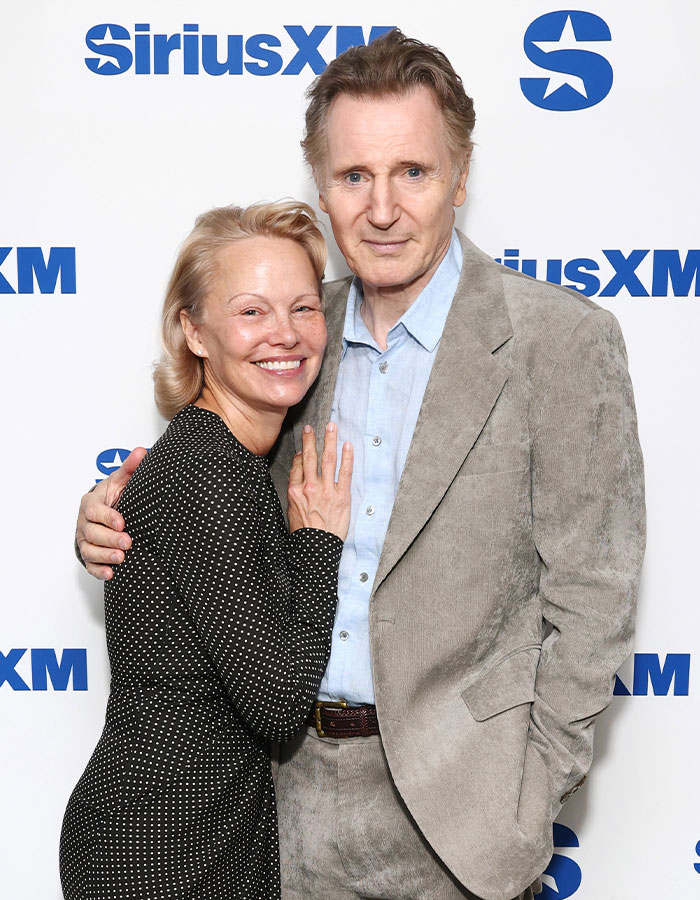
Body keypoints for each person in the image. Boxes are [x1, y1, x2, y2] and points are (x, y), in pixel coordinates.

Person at [75, 30, 646, 900]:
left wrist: (528, 799)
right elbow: (200, 479)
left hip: (464, 814)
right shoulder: (291, 334)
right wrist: (106, 515)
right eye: (353, 177)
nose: (382, 209)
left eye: (412, 172)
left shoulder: (560, 342)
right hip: (279, 805)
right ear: (322, 186)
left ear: (460, 177)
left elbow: (594, 594)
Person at [61, 201, 353, 900]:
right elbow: (280, 704)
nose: (284, 333)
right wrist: (317, 542)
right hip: (162, 846)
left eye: (304, 308)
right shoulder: (206, 468)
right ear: (193, 331)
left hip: (197, 829)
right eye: (251, 312)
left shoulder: (223, 457)